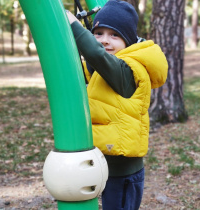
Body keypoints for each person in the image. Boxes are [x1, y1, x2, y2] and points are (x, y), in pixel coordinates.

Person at [66, 0, 168, 209]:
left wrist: (73, 26)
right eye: (99, 33)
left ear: (128, 42)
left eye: (114, 35)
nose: (105, 40)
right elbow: (94, 63)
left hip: (123, 172)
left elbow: (96, 55)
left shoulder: (128, 71)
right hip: (104, 165)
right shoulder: (102, 70)